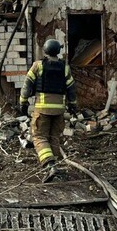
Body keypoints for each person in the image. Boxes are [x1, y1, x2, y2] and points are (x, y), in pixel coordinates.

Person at [18, 39, 78, 182]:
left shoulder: (38, 66)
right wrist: (74, 106)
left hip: (42, 110)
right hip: (59, 111)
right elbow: (72, 89)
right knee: (54, 138)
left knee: (38, 137)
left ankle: (50, 166)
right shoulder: (65, 68)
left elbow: (27, 85)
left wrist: (23, 103)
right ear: (58, 51)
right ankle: (55, 168)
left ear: (45, 51)